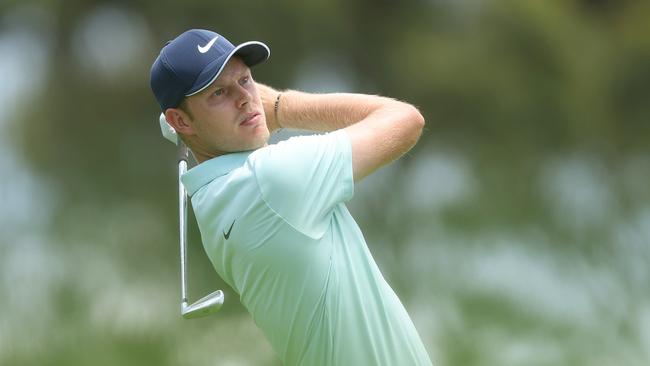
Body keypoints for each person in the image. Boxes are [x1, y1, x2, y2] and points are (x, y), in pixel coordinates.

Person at [150, 28, 433, 366]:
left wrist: (224, 111)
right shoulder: (270, 180)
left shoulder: (212, 197)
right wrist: (282, 107)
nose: (245, 99)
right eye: (219, 93)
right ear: (181, 121)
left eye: (245, 80)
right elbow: (405, 120)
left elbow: (199, 130)